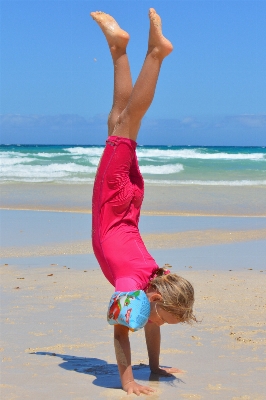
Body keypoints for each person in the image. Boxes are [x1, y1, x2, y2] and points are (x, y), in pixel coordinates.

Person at [91, 9, 195, 396]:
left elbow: (148, 326)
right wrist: (128, 381)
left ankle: (119, 50)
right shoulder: (132, 288)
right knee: (128, 121)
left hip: (130, 199)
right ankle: (156, 54)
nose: (160, 323)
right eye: (165, 317)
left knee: (117, 121)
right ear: (155, 297)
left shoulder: (155, 278)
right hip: (116, 198)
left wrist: (155, 369)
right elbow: (121, 336)